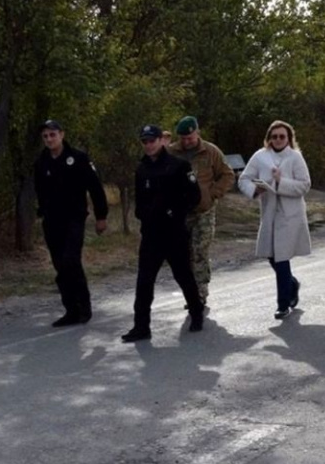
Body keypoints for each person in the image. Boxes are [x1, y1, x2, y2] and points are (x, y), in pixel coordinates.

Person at [121, 124, 205, 343]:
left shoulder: (179, 165)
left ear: (161, 140)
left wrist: (175, 212)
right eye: (145, 142)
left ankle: (196, 313)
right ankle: (141, 326)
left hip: (174, 232)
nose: (148, 145)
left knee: (183, 275)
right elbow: (139, 198)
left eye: (152, 140)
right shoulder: (142, 168)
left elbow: (194, 196)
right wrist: (142, 214)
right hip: (151, 234)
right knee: (144, 281)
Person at [33, 119, 108, 327]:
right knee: (60, 266)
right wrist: (42, 212)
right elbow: (40, 190)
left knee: (71, 260)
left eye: (52, 135)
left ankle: (84, 306)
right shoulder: (41, 162)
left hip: (73, 218)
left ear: (62, 135)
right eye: (45, 136)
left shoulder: (78, 158)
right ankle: (70, 310)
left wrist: (101, 216)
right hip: (52, 221)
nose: (49, 139)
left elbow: (95, 188)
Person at [238, 120, 312, 319]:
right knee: (272, 256)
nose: (278, 140)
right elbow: (243, 179)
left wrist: (281, 182)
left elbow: (304, 185)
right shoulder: (260, 157)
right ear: (269, 138)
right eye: (274, 136)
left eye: (282, 136)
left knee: (281, 259)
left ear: (288, 138)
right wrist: (255, 190)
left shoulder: (295, 157)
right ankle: (292, 284)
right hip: (269, 213)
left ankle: (283, 304)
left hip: (290, 215)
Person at [167, 116, 235, 307]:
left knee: (199, 251)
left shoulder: (210, 151)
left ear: (197, 133)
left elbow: (228, 175)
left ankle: (200, 294)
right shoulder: (172, 152)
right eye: (183, 138)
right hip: (181, 212)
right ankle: (190, 292)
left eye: (190, 137)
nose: (187, 141)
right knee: (184, 253)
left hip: (204, 211)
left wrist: (213, 193)